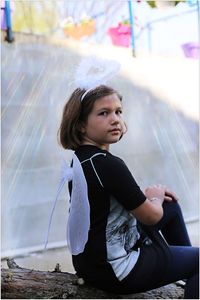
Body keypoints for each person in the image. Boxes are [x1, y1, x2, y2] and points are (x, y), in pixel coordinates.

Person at [55, 59, 199, 298]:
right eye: (104, 113)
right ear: (81, 125)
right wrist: (153, 198)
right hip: (117, 269)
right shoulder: (109, 165)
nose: (115, 119)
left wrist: (155, 199)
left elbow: (105, 205)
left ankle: (182, 271)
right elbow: (152, 217)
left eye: (118, 111)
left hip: (92, 263)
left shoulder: (82, 159)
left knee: (170, 207)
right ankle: (190, 270)